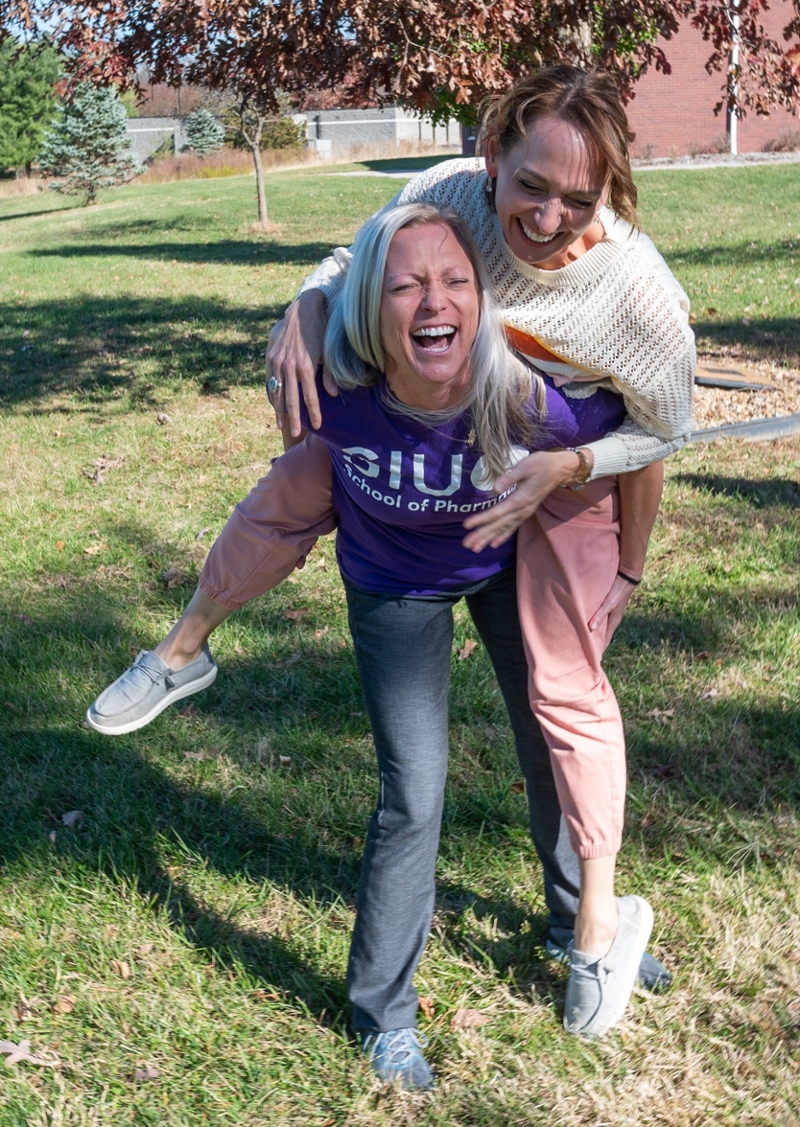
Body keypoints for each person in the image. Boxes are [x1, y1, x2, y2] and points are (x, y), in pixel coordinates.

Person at [87, 65, 694, 1038]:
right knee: (411, 791)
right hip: (392, 579)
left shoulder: (613, 311)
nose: (545, 216)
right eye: (528, 186)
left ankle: (578, 920)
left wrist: (616, 548)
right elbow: (351, 271)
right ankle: (382, 1012)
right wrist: (304, 301)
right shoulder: (368, 338)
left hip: (504, 549)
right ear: (491, 162)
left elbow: (655, 432)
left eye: (575, 199)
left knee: (551, 735)